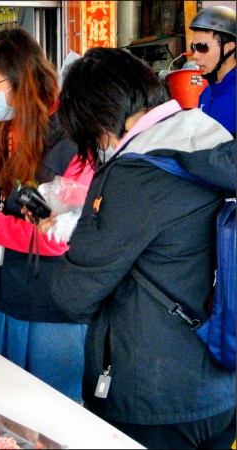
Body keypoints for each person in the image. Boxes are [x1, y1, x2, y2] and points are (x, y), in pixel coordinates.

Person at [49, 47, 235, 449]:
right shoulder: (210, 141)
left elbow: (73, 293)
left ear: (97, 119)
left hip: (152, 395)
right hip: (222, 387)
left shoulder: (134, 173)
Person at [0, 28, 94, 402]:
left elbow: (57, 238)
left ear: (22, 77)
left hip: (50, 307)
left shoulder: (72, 137)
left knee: (49, 411)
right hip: (2, 291)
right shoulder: (5, 128)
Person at [189, 5, 236, 136]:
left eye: (203, 47)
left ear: (229, 47)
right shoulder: (206, 93)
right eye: (193, 47)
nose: (196, 55)